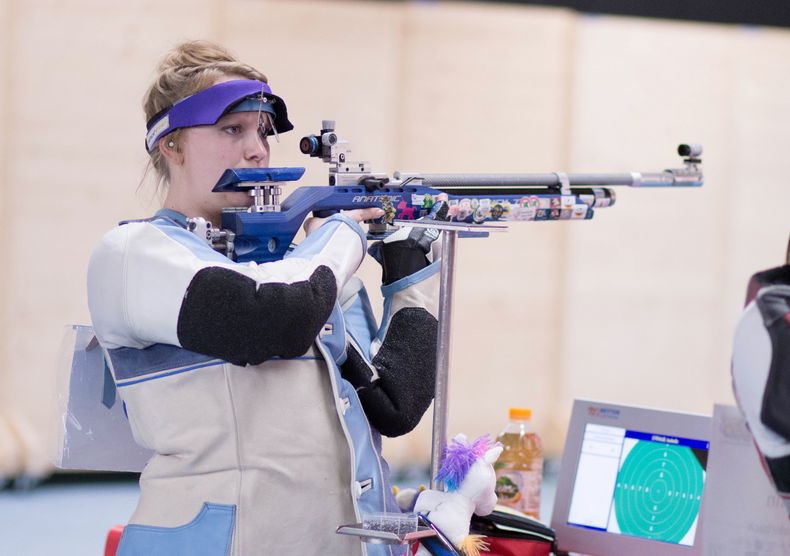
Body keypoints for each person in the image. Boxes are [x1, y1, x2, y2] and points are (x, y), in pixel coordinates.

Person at [87, 40, 442, 555]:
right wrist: (344, 234)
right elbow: (268, 319)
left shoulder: (305, 268)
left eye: (263, 132)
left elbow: (391, 406)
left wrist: (414, 286)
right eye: (232, 130)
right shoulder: (132, 254)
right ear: (171, 144)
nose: (256, 150)